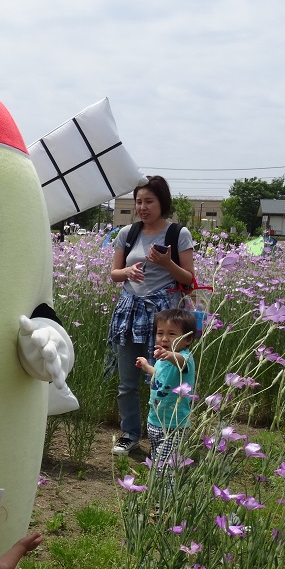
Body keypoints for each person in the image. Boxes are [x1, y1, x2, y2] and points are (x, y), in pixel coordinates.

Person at [107, 175, 194, 456]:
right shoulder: (127, 233)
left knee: (165, 378)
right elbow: (114, 274)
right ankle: (130, 434)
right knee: (127, 381)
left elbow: (190, 280)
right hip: (129, 313)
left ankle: (167, 435)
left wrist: (168, 263)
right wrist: (127, 272)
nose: (142, 207)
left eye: (149, 201)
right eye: (138, 202)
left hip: (165, 319)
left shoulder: (177, 234)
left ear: (162, 202)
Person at [135, 308, 196, 480]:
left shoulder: (185, 358)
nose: (164, 338)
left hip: (174, 425)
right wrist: (147, 366)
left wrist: (169, 355)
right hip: (155, 420)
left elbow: (179, 361)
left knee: (167, 467)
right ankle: (157, 497)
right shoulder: (162, 358)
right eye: (160, 333)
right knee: (156, 463)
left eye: (171, 334)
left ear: (188, 339)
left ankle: (166, 501)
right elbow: (158, 375)